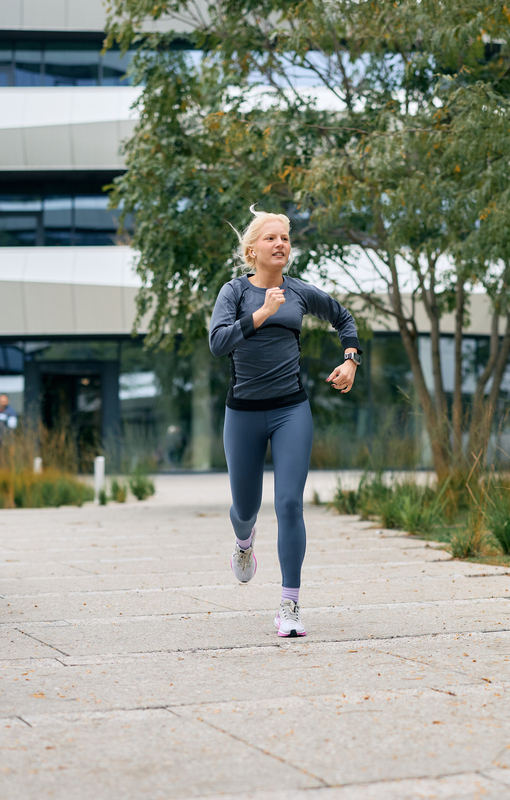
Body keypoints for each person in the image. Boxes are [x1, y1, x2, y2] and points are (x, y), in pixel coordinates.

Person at [209, 207, 361, 638]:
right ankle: (244, 543)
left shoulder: (298, 292)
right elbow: (218, 342)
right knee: (244, 509)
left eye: (286, 239)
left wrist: (351, 360)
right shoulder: (234, 292)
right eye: (272, 238)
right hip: (243, 413)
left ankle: (289, 605)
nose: (281, 244)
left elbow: (343, 318)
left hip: (291, 409)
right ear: (252, 249)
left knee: (290, 504)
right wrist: (259, 314)